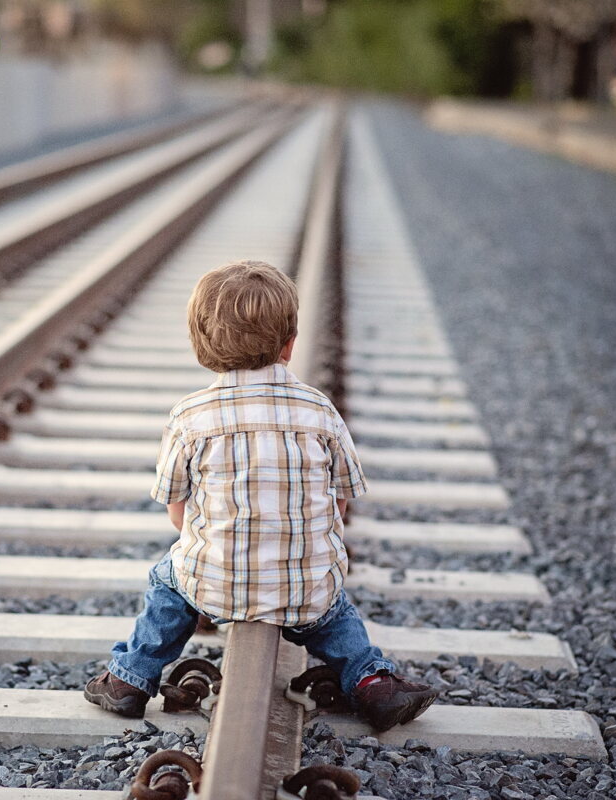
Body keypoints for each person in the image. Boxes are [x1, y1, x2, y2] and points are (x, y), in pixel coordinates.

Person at [84, 259, 438, 732]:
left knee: (168, 583)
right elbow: (342, 500)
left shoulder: (190, 417)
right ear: (290, 345)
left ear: (200, 345)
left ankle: (129, 679)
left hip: (213, 585)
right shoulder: (319, 410)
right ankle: (373, 683)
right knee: (333, 610)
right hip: (306, 588)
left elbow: (177, 512)